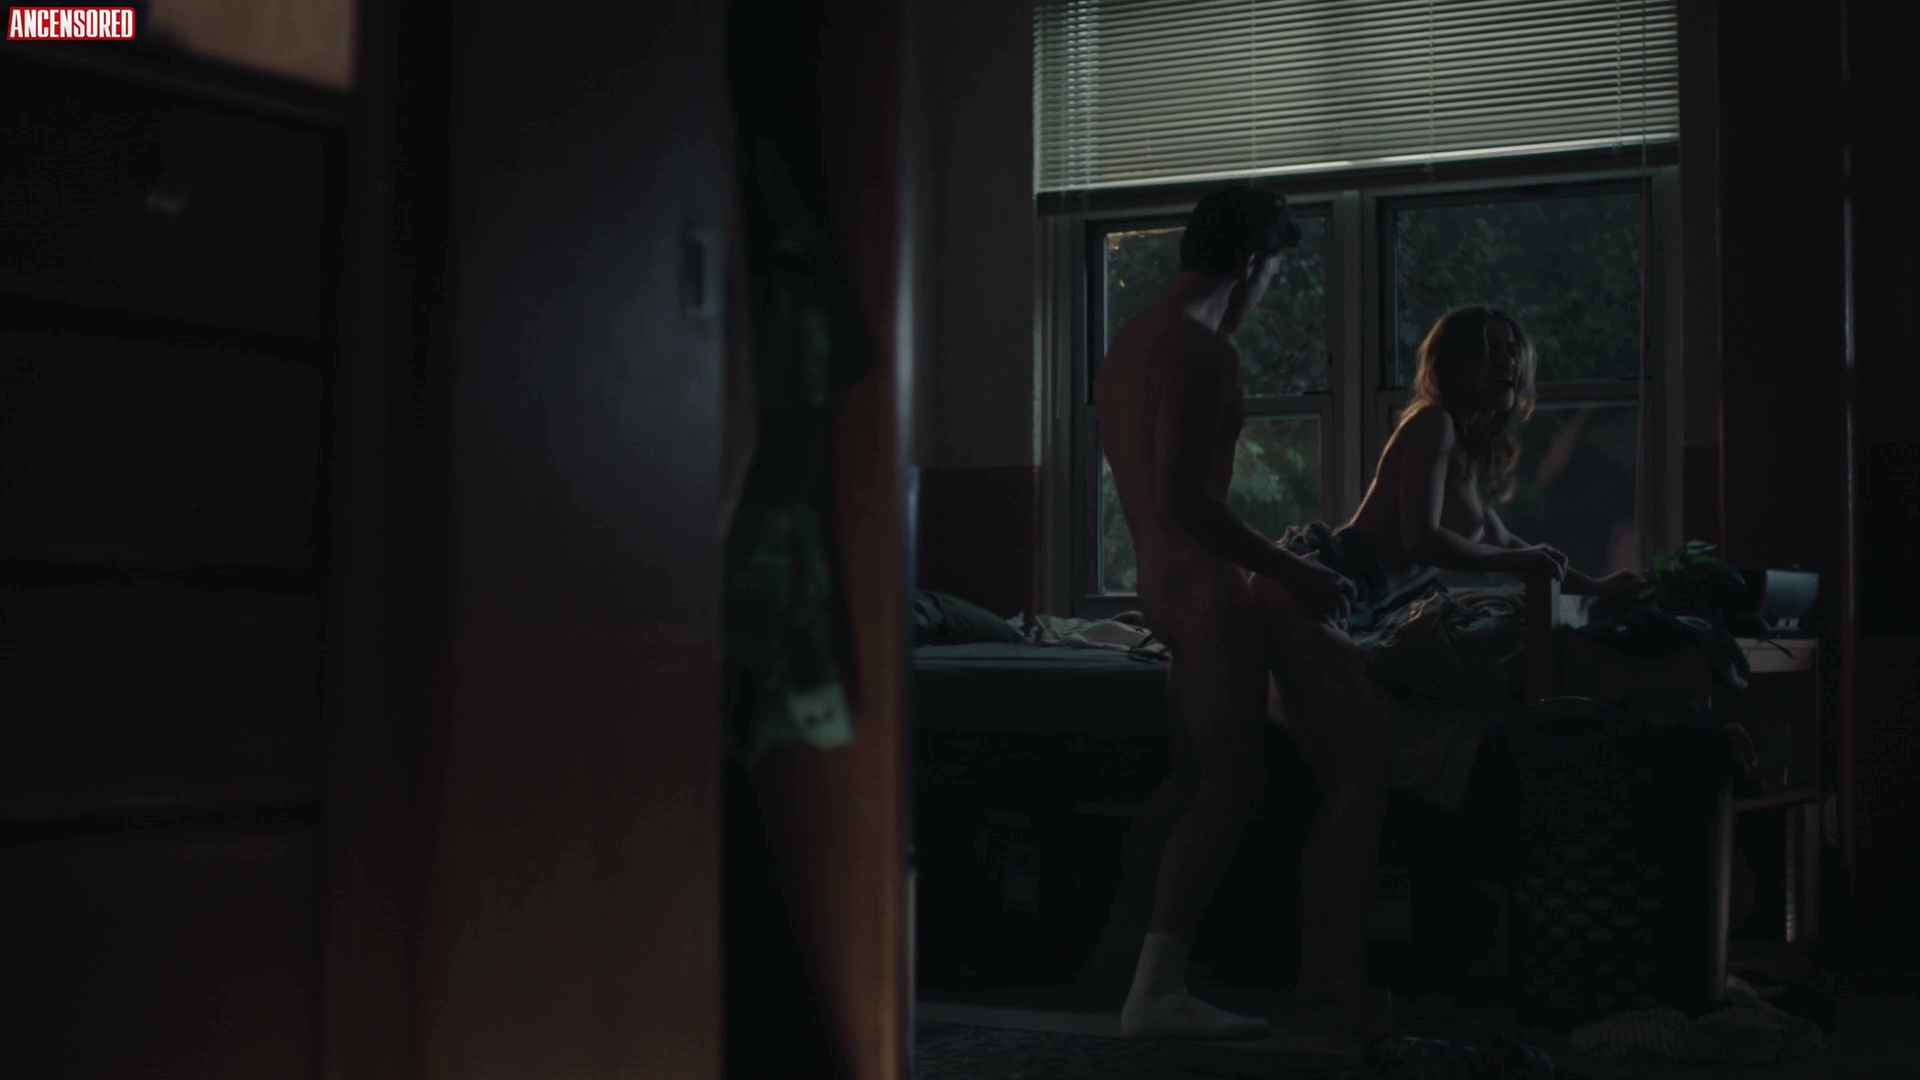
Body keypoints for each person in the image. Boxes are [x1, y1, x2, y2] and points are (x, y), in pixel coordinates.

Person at [1259, 304, 1645, 1023]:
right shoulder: (1431, 423)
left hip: (1356, 609)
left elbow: (1513, 545)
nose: (1505, 361)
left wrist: (1596, 588)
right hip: (1320, 589)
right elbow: (1423, 540)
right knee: (1359, 780)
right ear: (1453, 362)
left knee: (1349, 785)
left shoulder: (1471, 452)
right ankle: (1336, 973)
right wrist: (1522, 563)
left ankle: (1321, 970)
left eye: (1511, 348)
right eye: (1487, 348)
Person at [1094, 186, 1357, 1041]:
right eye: (1270, 277)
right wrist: (1294, 570)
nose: (1263, 293)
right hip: (1203, 588)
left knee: (1186, 782)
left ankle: (1115, 962)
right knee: (1233, 783)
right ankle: (1155, 993)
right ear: (1251, 264)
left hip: (1158, 584)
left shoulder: (1129, 343)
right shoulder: (1204, 350)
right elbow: (1188, 499)